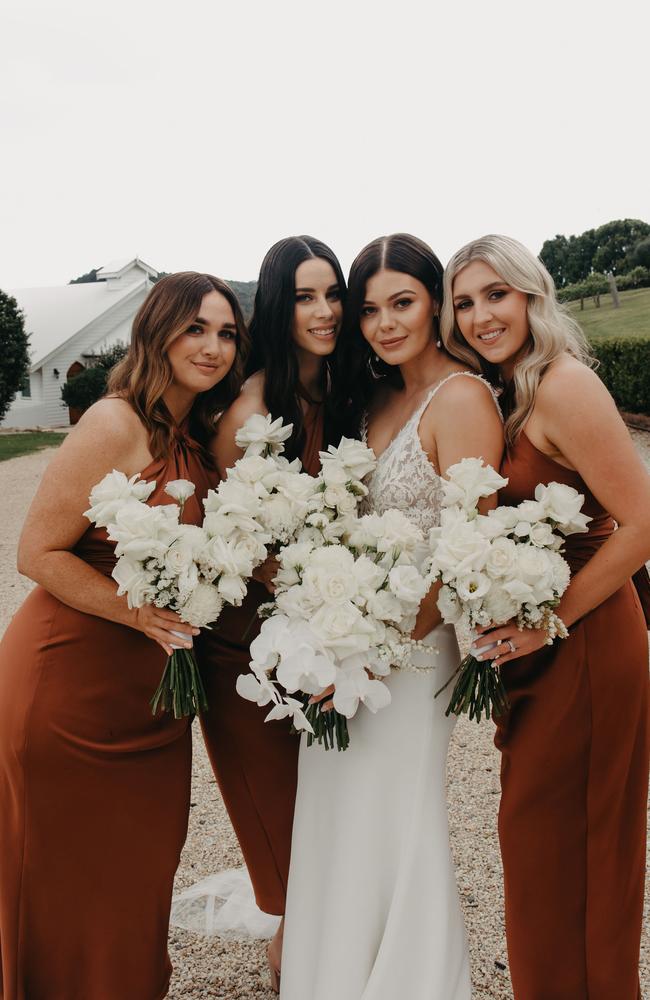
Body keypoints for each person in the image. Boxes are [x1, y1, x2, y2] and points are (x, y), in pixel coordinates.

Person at [0, 272, 248, 1000]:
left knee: (136, 879)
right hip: (69, 686)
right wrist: (139, 613)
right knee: (63, 884)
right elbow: (36, 553)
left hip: (151, 700)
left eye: (227, 332)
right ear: (156, 332)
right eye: (195, 328)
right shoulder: (113, 422)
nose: (213, 346)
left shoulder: (193, 430)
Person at [279, 233, 504, 1000]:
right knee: (334, 807)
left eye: (402, 303)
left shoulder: (465, 398)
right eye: (370, 308)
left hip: (411, 652)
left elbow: (462, 549)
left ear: (435, 302)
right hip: (347, 644)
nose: (383, 323)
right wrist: (325, 635)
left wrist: (375, 650)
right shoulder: (372, 398)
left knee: (394, 813)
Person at [442, 233, 650, 1000]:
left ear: (532, 294)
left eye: (495, 294)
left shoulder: (563, 385)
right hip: (539, 645)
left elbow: (642, 522)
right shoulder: (502, 389)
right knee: (538, 851)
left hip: (586, 641)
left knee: (581, 857)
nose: (480, 315)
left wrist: (546, 621)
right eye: (463, 302)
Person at [195, 236, 348, 991]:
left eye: (332, 294)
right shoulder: (249, 412)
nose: (323, 312)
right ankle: (293, 970)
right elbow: (240, 546)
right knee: (282, 845)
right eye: (302, 297)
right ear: (276, 306)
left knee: (331, 828)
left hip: (333, 645)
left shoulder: (350, 392)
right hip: (248, 655)